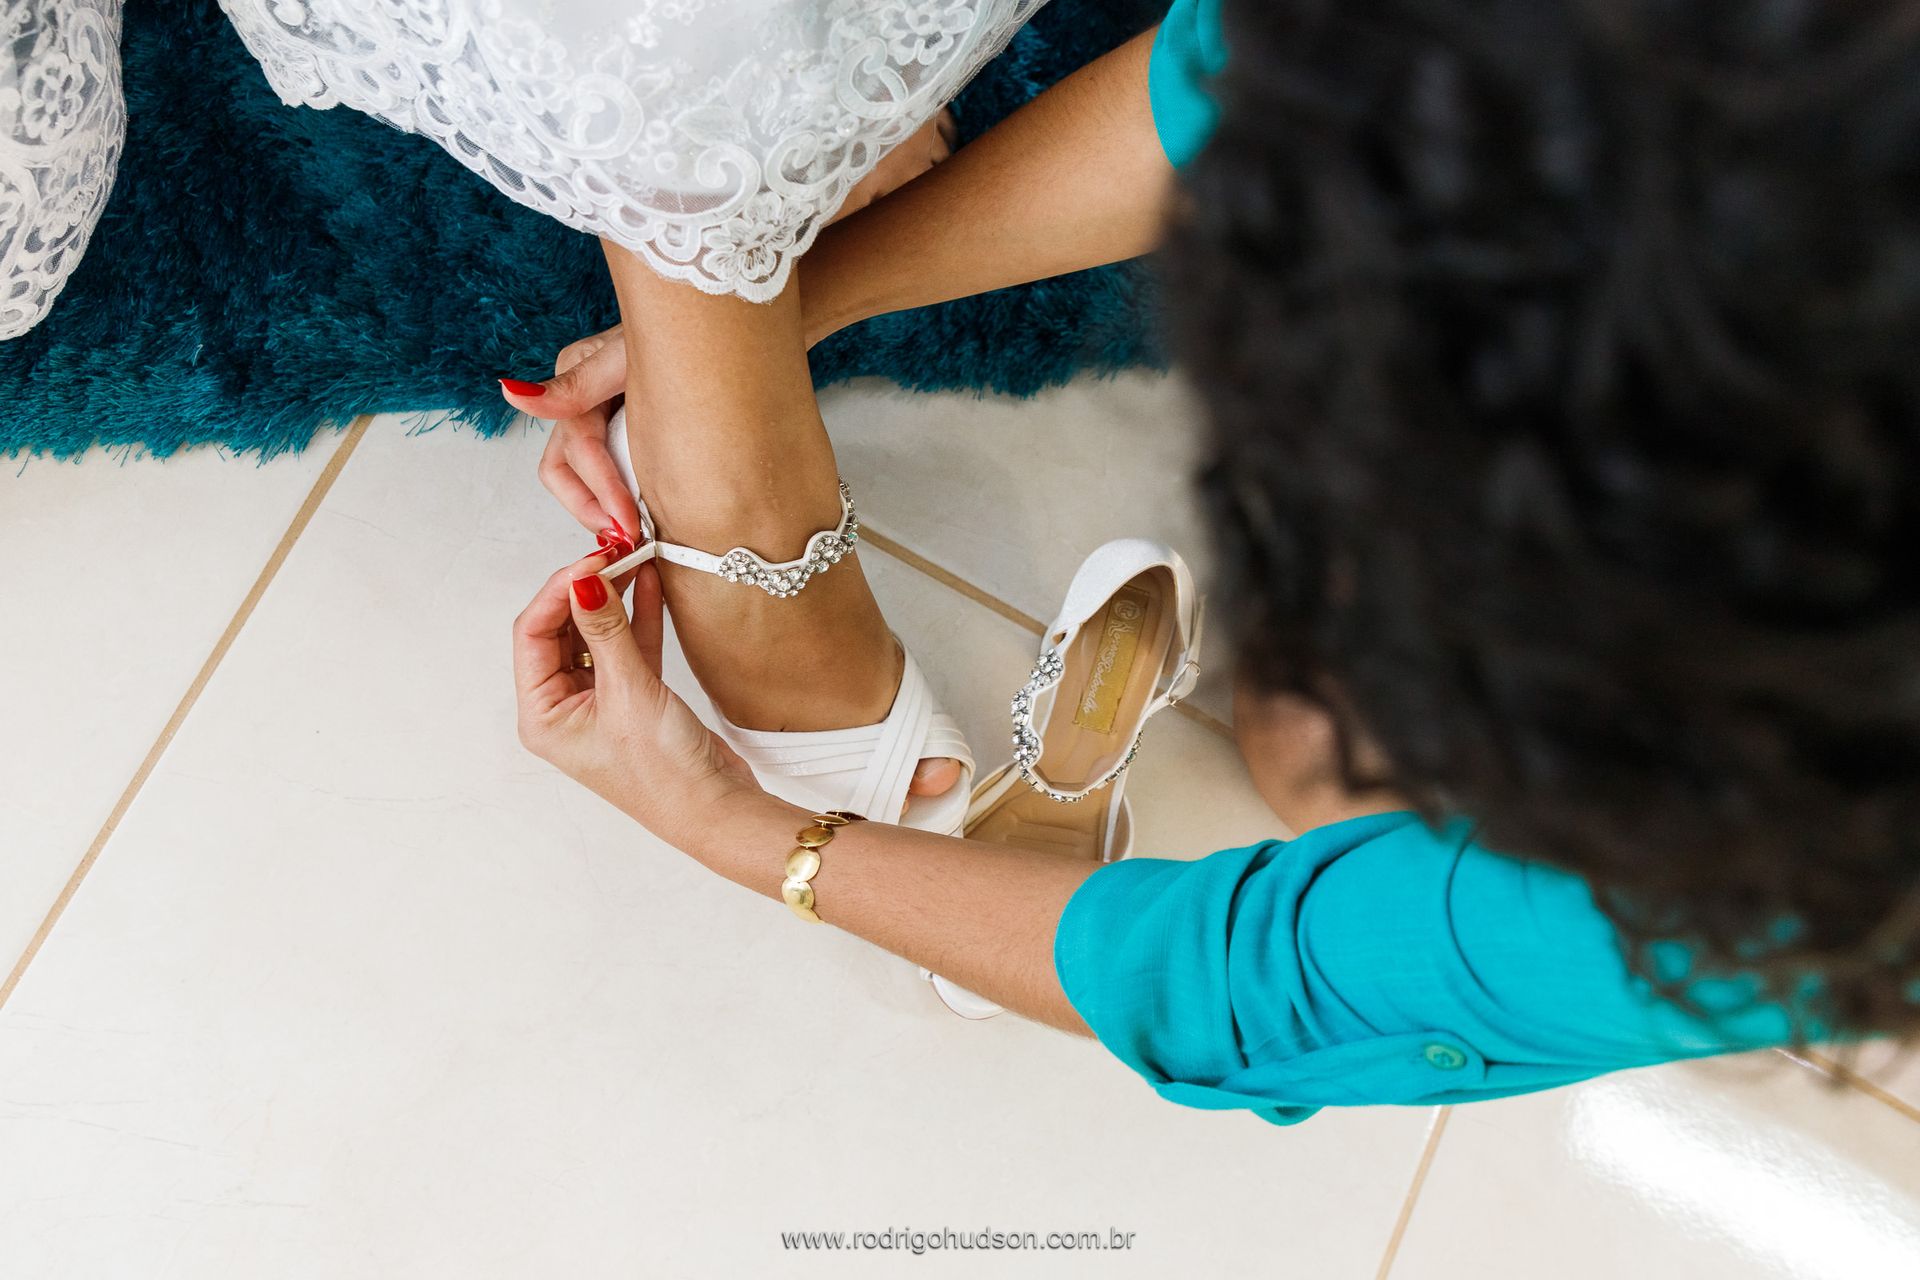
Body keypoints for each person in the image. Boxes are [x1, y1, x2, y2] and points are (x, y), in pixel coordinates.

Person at [512, 0, 1919, 1125]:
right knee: (1315, 741)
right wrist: (779, 315)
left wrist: (746, 832)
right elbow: (1264, 73)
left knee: (1320, 760)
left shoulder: (1780, 886)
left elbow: (1241, 986)